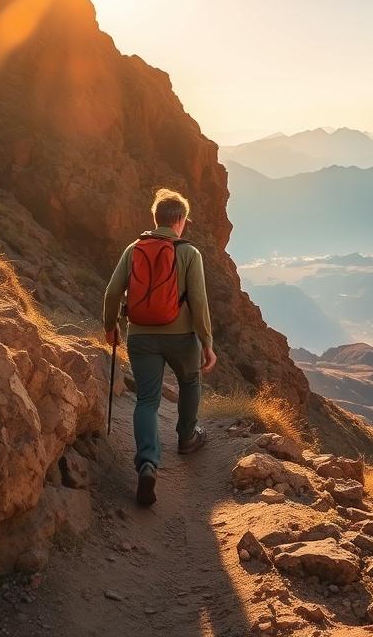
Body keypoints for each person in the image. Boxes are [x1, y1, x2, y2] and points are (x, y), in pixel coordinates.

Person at [102, 188, 218, 506]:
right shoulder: (189, 253)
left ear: (156, 219)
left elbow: (112, 293)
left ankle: (148, 464)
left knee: (147, 400)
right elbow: (199, 301)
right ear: (180, 221)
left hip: (140, 336)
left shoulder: (134, 248)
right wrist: (207, 342)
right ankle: (186, 437)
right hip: (181, 338)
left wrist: (110, 326)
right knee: (190, 381)